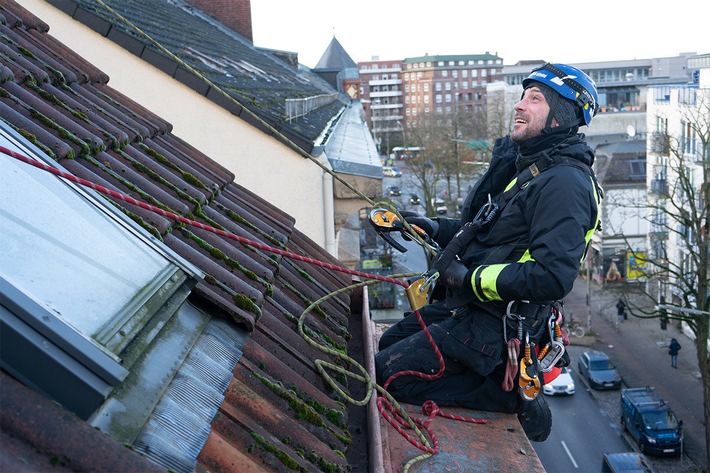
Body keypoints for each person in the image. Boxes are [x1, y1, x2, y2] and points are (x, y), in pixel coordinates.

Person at [375, 63, 602, 443]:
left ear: (562, 116)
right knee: (388, 343)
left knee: (391, 373)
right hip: (471, 310)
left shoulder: (564, 183)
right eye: (522, 95)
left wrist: (468, 279)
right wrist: (428, 226)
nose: (519, 105)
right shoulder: (532, 170)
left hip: (496, 329)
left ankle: (505, 394)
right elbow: (485, 234)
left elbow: (551, 276)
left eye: (534, 99)